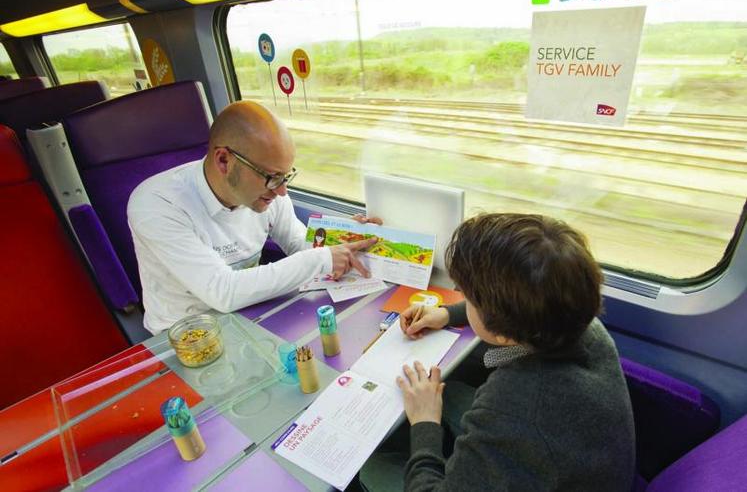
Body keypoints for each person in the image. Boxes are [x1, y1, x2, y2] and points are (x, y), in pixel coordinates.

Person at [393, 213, 635, 492]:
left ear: (502, 331)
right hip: (576, 460)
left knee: (373, 468)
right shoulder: (576, 321)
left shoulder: (515, 408)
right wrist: (447, 313)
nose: (464, 301)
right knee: (452, 392)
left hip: (538, 446)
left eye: (467, 298)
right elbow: (514, 313)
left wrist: (424, 422)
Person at [128, 101, 377, 334]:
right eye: (271, 177)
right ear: (224, 160)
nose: (281, 191)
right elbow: (223, 291)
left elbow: (298, 244)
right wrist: (320, 259)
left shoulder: (270, 193)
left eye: (285, 177)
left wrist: (344, 236)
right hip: (185, 334)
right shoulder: (157, 204)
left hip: (248, 314)